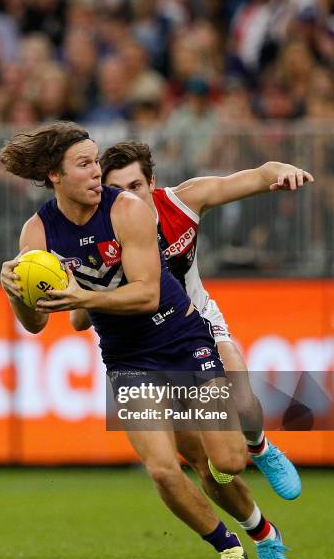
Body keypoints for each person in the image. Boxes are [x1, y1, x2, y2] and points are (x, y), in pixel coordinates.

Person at [0, 121, 257, 559]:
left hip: (181, 338)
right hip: (128, 358)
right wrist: (16, 293)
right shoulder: (36, 234)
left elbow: (147, 295)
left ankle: (256, 459)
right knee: (161, 470)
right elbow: (36, 325)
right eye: (83, 164)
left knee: (228, 460)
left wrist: (85, 299)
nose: (97, 172)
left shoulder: (128, 210)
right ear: (55, 175)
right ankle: (228, 547)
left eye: (96, 161)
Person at [98, 141, 312, 500]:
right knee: (202, 458)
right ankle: (255, 533)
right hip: (147, 342)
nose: (128, 197)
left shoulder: (183, 201)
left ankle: (261, 449)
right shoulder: (103, 231)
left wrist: (282, 171)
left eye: (135, 186)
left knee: (243, 404)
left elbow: (255, 176)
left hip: (198, 320)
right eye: (117, 190)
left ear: (152, 182)